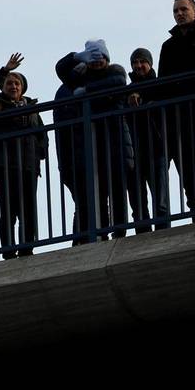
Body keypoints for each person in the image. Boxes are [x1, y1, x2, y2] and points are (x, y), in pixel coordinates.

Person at [55, 41, 134, 241]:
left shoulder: (115, 71)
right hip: (93, 145)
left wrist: (87, 91)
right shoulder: (81, 76)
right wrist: (77, 56)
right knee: (98, 191)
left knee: (117, 189)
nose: (97, 62)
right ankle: (102, 231)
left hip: (115, 141)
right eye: (93, 58)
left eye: (100, 58)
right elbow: (60, 69)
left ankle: (120, 230)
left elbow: (118, 82)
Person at [0, 54, 48, 258]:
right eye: (9, 83)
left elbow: (42, 135)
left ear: (23, 88)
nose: (13, 86)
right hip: (4, 165)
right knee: (8, 209)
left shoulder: (32, 109)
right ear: (2, 87)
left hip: (28, 165)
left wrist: (40, 153)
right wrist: (4, 70)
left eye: (17, 83)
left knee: (28, 209)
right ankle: (9, 251)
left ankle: (27, 249)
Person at [157, 0, 195, 219]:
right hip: (177, 113)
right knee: (185, 163)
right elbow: (162, 82)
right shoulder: (169, 45)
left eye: (183, 9)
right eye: (176, 11)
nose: (179, 14)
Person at [126, 47, 171, 232]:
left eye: (142, 61)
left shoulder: (159, 85)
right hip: (134, 152)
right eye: (135, 62)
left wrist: (143, 99)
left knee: (161, 202)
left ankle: (163, 234)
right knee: (138, 204)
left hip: (157, 148)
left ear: (150, 64)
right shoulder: (127, 91)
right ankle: (142, 236)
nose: (138, 66)